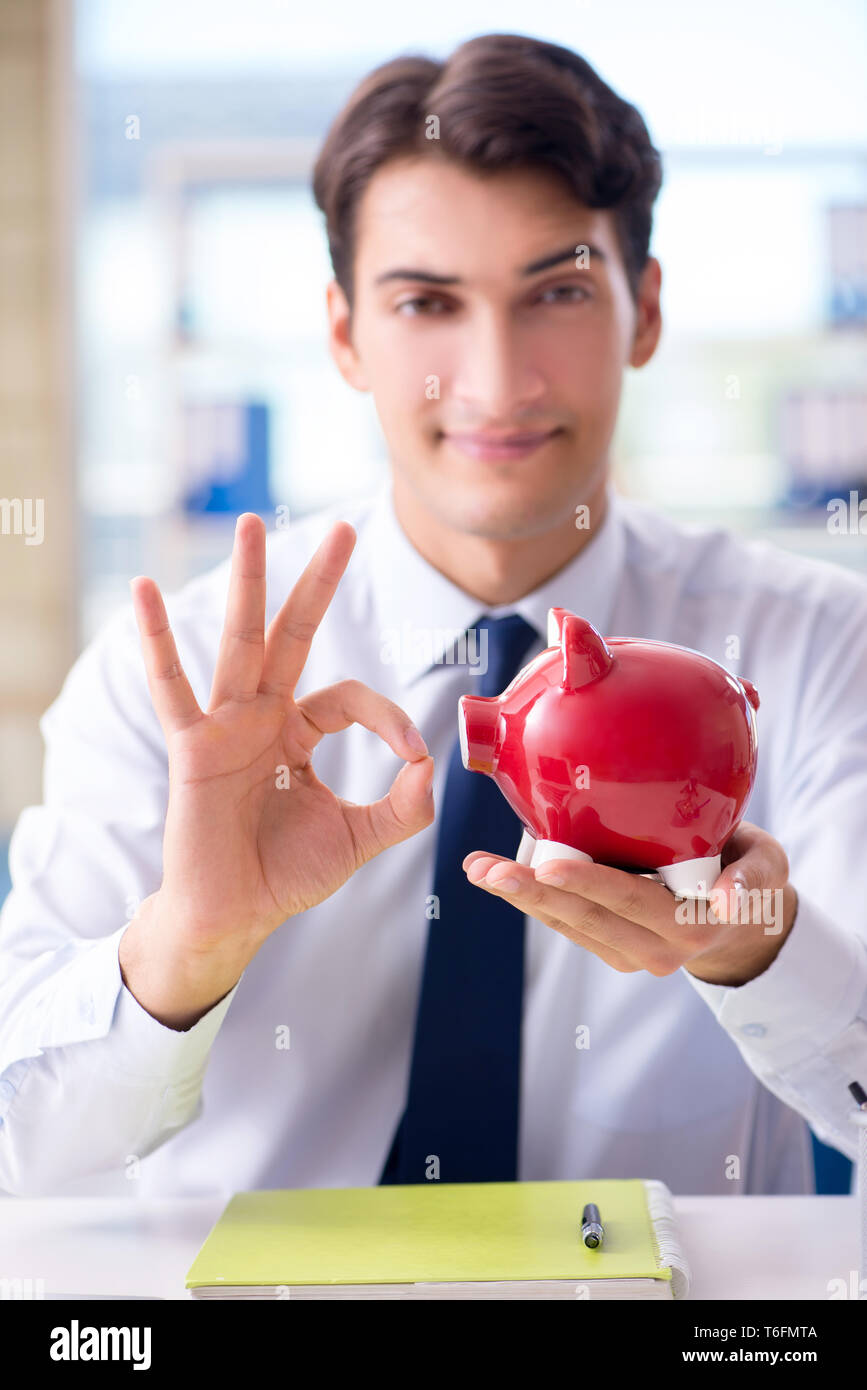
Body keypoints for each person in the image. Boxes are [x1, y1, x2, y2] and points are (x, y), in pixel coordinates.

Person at [1, 32, 866, 1200]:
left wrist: (762, 952)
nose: (497, 378)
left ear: (645, 311)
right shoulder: (177, 683)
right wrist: (184, 951)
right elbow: (23, 1153)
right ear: (348, 334)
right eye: (426, 302)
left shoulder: (820, 649)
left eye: (556, 291)